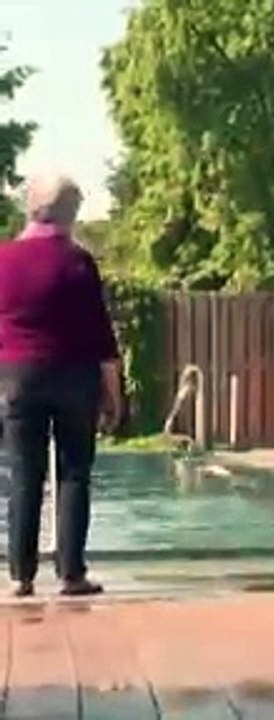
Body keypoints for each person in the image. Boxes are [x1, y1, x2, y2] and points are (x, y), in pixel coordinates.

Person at [0, 173, 123, 598]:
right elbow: (101, 334)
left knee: (24, 474)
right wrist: (113, 394)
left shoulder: (4, 260)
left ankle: (21, 576)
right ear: (71, 213)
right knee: (74, 474)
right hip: (74, 377)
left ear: (30, 209)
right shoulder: (78, 262)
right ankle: (71, 574)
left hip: (19, 377)